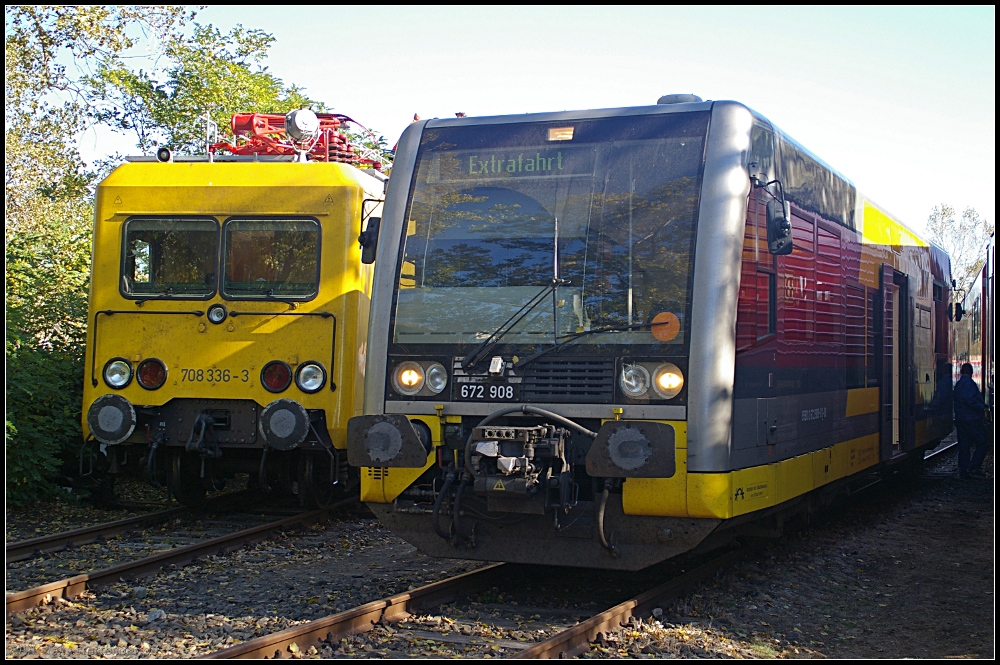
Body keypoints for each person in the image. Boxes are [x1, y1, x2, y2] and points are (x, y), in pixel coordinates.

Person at [953, 362, 990, 478]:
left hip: (960, 419)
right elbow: (969, 399)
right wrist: (982, 406)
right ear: (972, 372)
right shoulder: (969, 384)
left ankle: (963, 471)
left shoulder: (958, 384)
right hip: (972, 419)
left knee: (964, 446)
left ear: (961, 372)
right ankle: (974, 467)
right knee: (983, 442)